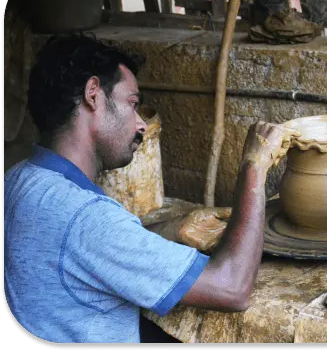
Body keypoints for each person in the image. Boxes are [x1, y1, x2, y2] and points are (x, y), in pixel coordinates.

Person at [3, 33, 300, 343]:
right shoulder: (87, 218)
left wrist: (175, 226)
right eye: (132, 103)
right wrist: (254, 166)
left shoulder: (19, 179)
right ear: (93, 94)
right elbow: (231, 288)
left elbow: (95, 247)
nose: (141, 125)